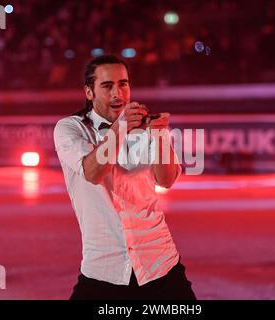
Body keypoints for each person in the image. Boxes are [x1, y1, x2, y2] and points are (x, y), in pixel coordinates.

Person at [53, 55, 196, 300]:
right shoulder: (71, 128)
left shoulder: (145, 125)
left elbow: (167, 180)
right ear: (89, 92)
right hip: (104, 267)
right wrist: (121, 127)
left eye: (123, 84)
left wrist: (160, 137)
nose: (117, 93)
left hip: (159, 262)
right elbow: (93, 172)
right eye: (107, 86)